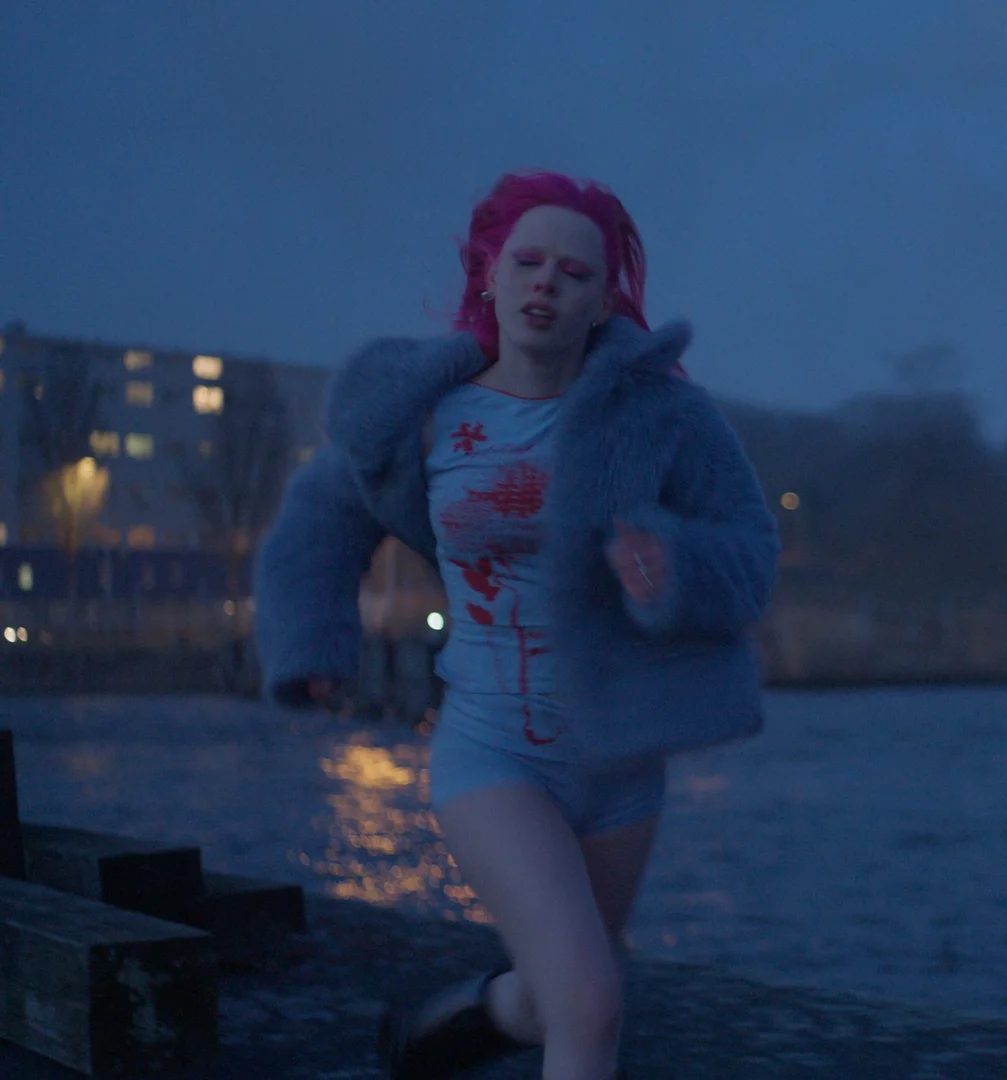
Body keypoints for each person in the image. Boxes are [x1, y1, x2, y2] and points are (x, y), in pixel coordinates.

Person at [252, 170, 780, 1080]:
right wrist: (313, 643)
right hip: (492, 748)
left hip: (620, 756)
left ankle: (445, 1029)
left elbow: (750, 546)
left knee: (559, 995)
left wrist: (676, 566)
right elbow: (320, 519)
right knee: (592, 1004)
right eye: (528, 263)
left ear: (603, 300)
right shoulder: (421, 418)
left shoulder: (662, 416)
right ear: (488, 276)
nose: (547, 284)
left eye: (575, 274)